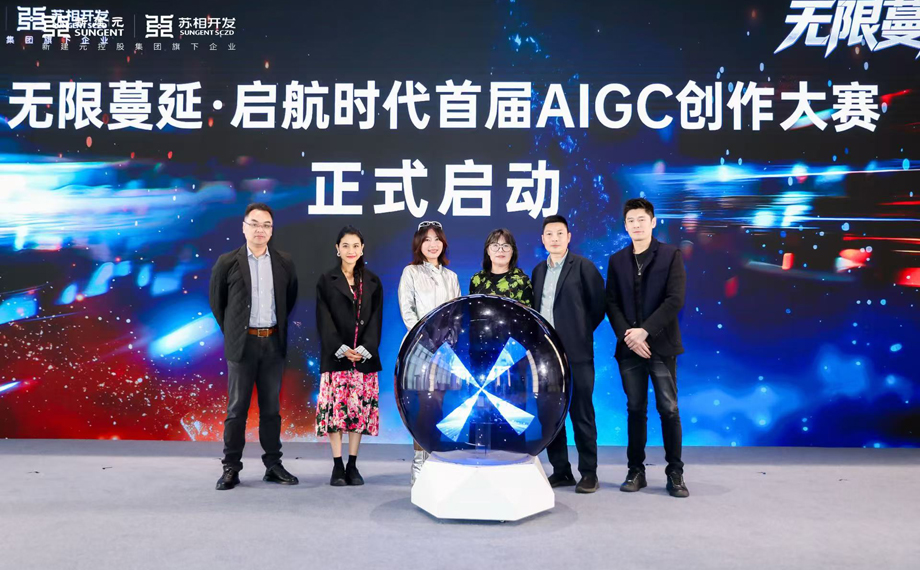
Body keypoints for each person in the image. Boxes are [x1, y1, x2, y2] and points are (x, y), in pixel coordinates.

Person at [209, 202, 299, 491]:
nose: (261, 230)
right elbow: (217, 303)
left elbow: (289, 299)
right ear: (244, 227)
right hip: (242, 346)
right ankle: (231, 467)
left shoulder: (284, 262)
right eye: (255, 224)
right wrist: (236, 333)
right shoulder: (227, 262)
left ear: (272, 230)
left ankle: (273, 465)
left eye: (266, 225)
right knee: (237, 409)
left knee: (271, 409)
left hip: (272, 343)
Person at [605, 198, 689, 498]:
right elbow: (611, 302)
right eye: (631, 221)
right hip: (629, 348)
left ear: (653, 222)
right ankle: (635, 470)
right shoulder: (617, 260)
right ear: (625, 226)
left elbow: (675, 299)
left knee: (669, 409)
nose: (636, 225)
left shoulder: (670, 255)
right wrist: (629, 336)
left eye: (642, 219)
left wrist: (645, 332)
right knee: (635, 409)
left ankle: (675, 473)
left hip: (661, 346)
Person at [531, 215, 606, 494]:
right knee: (552, 415)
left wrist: (580, 331)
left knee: (581, 413)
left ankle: (589, 473)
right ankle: (561, 470)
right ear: (543, 239)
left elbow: (599, 306)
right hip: (547, 356)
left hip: (577, 353)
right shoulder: (538, 271)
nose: (554, 239)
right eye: (549, 234)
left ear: (569, 237)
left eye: (559, 233)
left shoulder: (583, 267)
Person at [315, 226, 383, 486]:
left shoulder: (373, 281)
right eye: (345, 245)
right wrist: (341, 348)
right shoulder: (326, 279)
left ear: (362, 249)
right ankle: (337, 465)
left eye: (355, 245)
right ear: (337, 249)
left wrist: (365, 349)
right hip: (337, 358)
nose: (351, 250)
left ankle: (352, 464)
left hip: (363, 360)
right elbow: (323, 319)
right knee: (335, 413)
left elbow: (376, 318)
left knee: (358, 414)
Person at [397, 221, 462, 485]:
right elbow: (407, 310)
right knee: (422, 405)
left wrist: (448, 342)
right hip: (419, 348)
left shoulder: (452, 277)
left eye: (436, 239)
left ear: (443, 243)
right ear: (419, 244)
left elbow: (456, 315)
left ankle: (438, 459)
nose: (432, 245)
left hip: (446, 351)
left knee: (442, 405)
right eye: (426, 240)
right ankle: (419, 463)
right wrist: (424, 338)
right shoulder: (411, 272)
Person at [469, 228, 534, 307]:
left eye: (505, 246)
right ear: (488, 251)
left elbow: (527, 313)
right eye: (495, 245)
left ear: (512, 251)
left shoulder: (522, 281)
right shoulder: (477, 279)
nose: (500, 250)